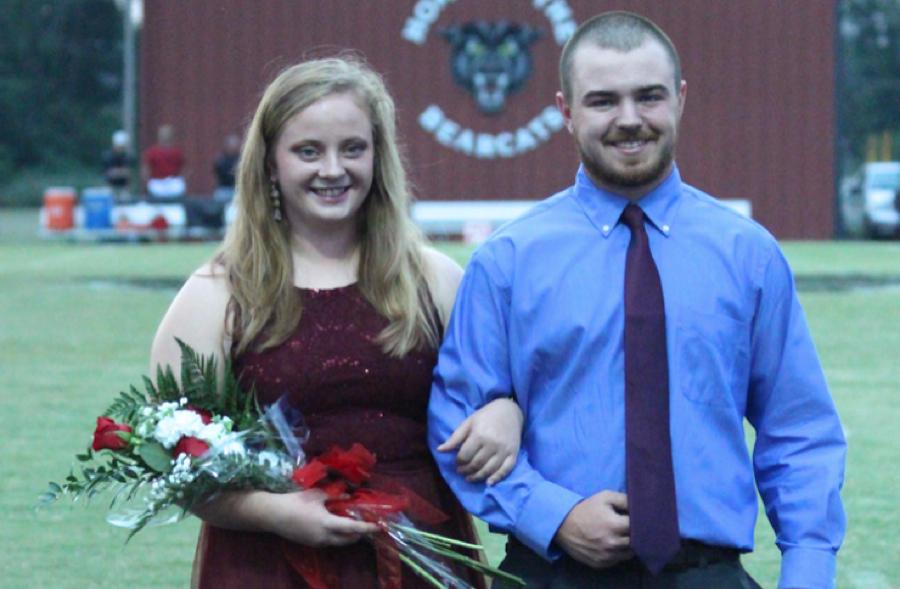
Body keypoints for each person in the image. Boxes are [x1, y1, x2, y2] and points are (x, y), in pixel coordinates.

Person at [428, 10, 846, 589]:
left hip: (707, 573)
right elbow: (455, 421)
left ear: (678, 99)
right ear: (565, 112)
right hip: (551, 573)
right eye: (603, 101)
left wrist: (807, 572)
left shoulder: (748, 255)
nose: (629, 120)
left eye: (648, 97)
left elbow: (797, 430)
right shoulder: (509, 261)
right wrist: (553, 515)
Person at [150, 56, 521, 588]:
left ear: (379, 157)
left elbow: (503, 391)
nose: (332, 169)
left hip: (418, 559)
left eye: (353, 148)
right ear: (270, 164)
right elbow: (177, 463)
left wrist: (507, 410)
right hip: (270, 566)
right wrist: (276, 512)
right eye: (308, 151)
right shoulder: (216, 294)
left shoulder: (434, 280)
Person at [143, 123, 186, 199]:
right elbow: (146, 168)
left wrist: (182, 179)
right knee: (154, 188)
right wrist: (146, 182)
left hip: (172, 181)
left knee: (179, 186)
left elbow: (184, 167)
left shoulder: (176, 152)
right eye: (163, 134)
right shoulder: (152, 152)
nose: (165, 137)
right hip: (158, 181)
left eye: (167, 134)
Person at [102, 130, 135, 202]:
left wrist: (117, 172)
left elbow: (128, 173)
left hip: (124, 187)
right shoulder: (109, 156)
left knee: (125, 198)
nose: (121, 149)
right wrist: (121, 172)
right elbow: (109, 174)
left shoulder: (126, 157)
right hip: (111, 187)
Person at [212, 133, 241, 203]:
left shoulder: (240, 159)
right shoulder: (221, 159)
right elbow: (219, 173)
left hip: (236, 189)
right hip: (223, 189)